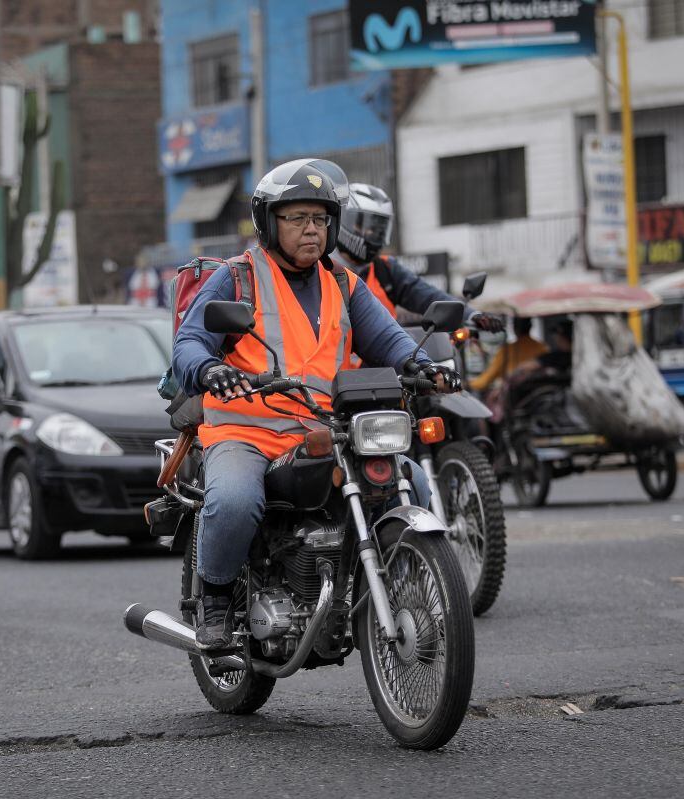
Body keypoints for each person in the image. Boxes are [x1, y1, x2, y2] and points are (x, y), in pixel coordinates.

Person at [171, 160, 460, 650]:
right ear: (269, 222)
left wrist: (424, 366)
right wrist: (210, 369)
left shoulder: (344, 284)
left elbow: (389, 340)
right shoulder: (237, 279)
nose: (311, 229)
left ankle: (399, 586)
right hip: (246, 433)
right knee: (237, 500)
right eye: (297, 218)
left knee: (408, 480)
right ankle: (215, 600)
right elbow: (189, 342)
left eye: (321, 219)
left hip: (323, 430)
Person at [330, 182, 505, 334]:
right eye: (367, 226)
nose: (374, 234)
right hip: (331, 371)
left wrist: (472, 315)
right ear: (344, 221)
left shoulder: (385, 270)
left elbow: (427, 295)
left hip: (383, 369)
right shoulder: (321, 267)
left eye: (380, 229)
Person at [470, 317, 546, 393]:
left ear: (514, 328)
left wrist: (469, 384)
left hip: (514, 397)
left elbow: (486, 379)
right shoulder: (542, 348)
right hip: (540, 394)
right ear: (531, 327)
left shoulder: (507, 350)